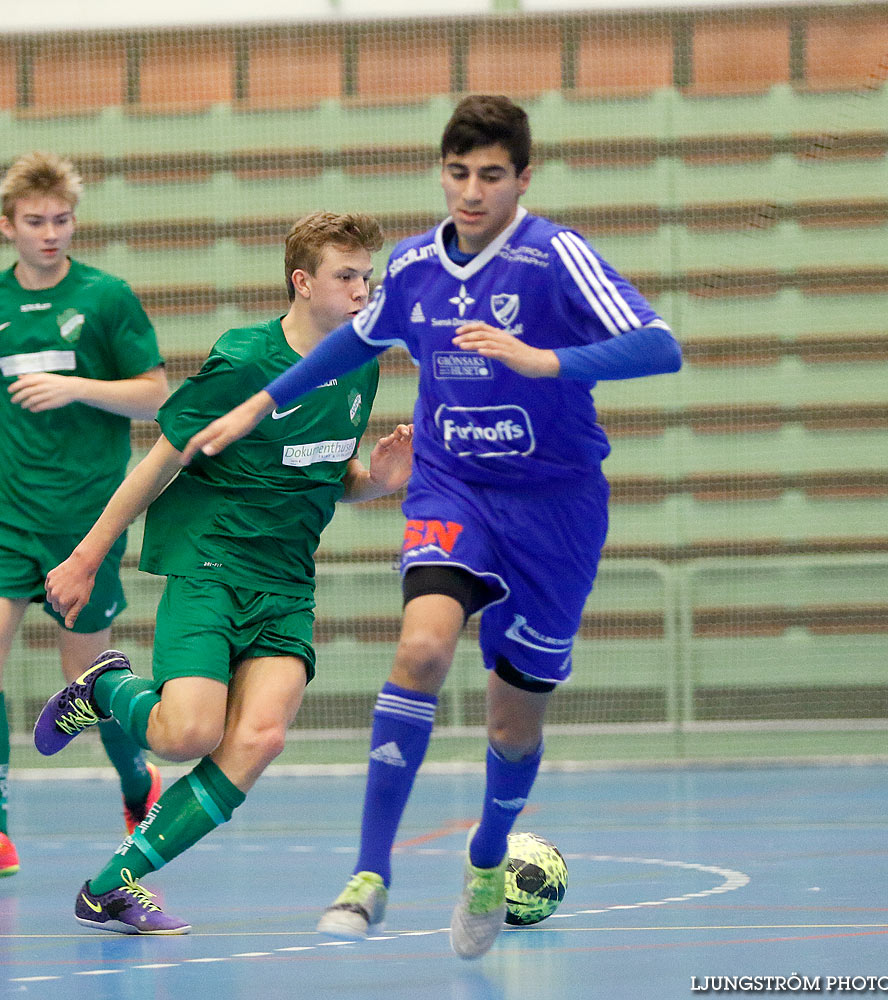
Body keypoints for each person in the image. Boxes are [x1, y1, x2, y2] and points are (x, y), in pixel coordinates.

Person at [181, 95, 683, 958]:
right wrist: (256, 406)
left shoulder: (554, 256)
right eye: (459, 173)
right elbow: (354, 344)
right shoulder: (413, 267)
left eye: (492, 175)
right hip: (453, 491)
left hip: (555, 506)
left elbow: (659, 344)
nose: (472, 190)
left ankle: (488, 856)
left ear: (522, 178)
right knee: (420, 649)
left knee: (510, 723)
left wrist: (545, 360)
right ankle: (368, 874)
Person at [35, 211, 414, 935]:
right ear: (303, 283)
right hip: (211, 561)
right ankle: (105, 686)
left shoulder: (362, 363)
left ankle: (114, 883)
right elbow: (163, 456)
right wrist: (88, 555)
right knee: (186, 735)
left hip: (287, 582)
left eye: (368, 275)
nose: (363, 290)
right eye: (346, 276)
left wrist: (377, 482)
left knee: (260, 737)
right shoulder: (244, 361)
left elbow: (320, 472)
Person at [0, 151, 169, 880]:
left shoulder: (106, 299)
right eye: (35, 222)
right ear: (7, 226)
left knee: (88, 681)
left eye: (62, 220)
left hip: (83, 521)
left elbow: (157, 394)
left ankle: (139, 788)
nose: (50, 233)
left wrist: (76, 388)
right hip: (5, 513)